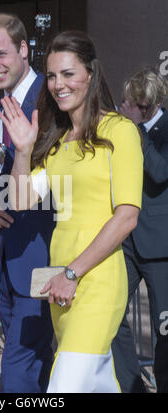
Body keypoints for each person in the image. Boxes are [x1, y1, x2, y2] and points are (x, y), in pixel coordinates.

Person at [0, 30, 143, 392]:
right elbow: (19, 199)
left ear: (90, 75)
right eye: (51, 75)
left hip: (94, 284)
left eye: (68, 74)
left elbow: (126, 216)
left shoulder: (119, 131)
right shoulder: (59, 142)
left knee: (64, 386)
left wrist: (73, 274)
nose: (58, 84)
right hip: (60, 288)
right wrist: (23, 150)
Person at [0, 13, 55, 393]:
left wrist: (3, 152)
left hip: (48, 255)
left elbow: (50, 181)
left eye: (1, 54)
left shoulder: (53, 101)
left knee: (16, 369)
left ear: (23, 49)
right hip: (5, 260)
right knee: (35, 366)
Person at [112, 67, 168, 393]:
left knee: (164, 329)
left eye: (128, 103)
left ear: (144, 107)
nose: (121, 106)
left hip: (160, 248)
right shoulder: (122, 130)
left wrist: (138, 133)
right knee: (111, 312)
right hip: (127, 241)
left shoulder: (159, 130)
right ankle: (133, 386)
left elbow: (161, 172)